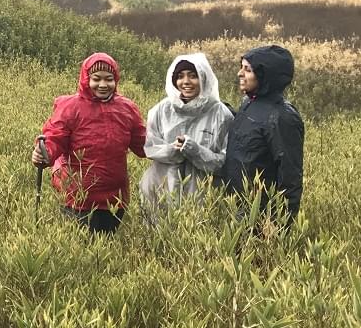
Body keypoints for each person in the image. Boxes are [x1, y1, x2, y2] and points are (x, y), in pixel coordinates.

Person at [31, 52, 147, 235]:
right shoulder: (70, 107)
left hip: (114, 198)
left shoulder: (127, 108)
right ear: (86, 78)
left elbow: (143, 144)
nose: (103, 85)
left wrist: (168, 147)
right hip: (77, 196)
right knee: (79, 248)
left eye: (109, 79)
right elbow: (54, 137)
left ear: (115, 80)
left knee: (107, 249)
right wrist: (44, 154)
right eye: (96, 79)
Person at [217, 44, 304, 228]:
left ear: (266, 76)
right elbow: (250, 129)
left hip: (260, 216)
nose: (240, 74)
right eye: (241, 67)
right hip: (237, 206)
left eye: (247, 69)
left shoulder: (282, 117)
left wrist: (279, 224)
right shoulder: (249, 102)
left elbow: (290, 176)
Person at [139, 53, 234, 217]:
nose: (186, 82)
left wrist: (195, 150)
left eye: (193, 76)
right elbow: (151, 147)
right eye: (180, 76)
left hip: (203, 196)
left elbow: (225, 162)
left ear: (203, 78)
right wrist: (171, 150)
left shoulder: (221, 114)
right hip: (161, 188)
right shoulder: (162, 110)